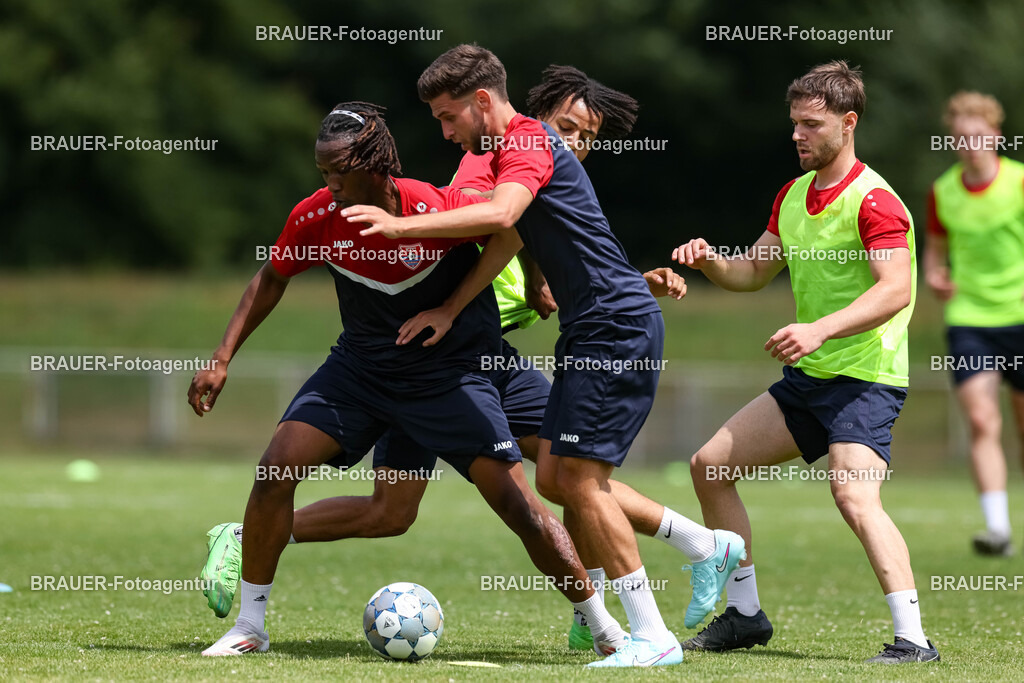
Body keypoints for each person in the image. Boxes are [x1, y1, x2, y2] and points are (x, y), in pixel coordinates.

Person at [201, 65, 725, 658]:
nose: (578, 146)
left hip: (466, 369)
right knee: (316, 483)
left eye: (588, 136)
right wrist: (221, 358)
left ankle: (615, 618)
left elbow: (513, 229)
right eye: (572, 129)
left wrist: (457, 276)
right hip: (370, 371)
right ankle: (250, 619)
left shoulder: (500, 171)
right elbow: (507, 225)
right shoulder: (486, 160)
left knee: (540, 492)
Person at [347, 45, 726, 668]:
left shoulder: (528, 143)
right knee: (554, 478)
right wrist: (449, 308)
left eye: (448, 117)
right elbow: (508, 237)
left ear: (482, 102)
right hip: (589, 327)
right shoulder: (501, 151)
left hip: (615, 324)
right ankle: (700, 547)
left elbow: (500, 213)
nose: (444, 132)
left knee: (578, 481)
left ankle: (652, 636)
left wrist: (399, 227)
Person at [674, 61, 939, 663]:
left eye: (811, 125)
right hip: (809, 379)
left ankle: (914, 640)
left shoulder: (876, 201)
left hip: (865, 378)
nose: (798, 135)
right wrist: (712, 261)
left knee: (853, 495)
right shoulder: (792, 195)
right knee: (710, 464)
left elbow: (897, 289)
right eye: (794, 124)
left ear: (848, 124)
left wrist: (819, 329)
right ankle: (744, 616)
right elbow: (753, 271)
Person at [924, 91, 1024, 557]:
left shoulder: (1019, 183)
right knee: (983, 420)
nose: (969, 144)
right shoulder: (943, 191)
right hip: (970, 320)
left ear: (997, 136)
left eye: (978, 135)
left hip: (1020, 316)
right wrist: (935, 276)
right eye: (960, 138)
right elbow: (936, 251)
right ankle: (998, 530)